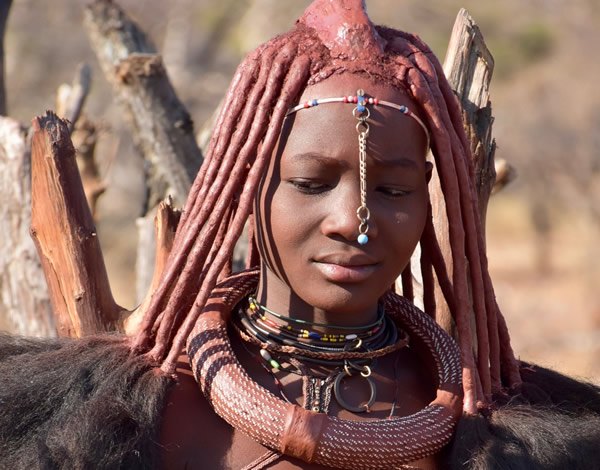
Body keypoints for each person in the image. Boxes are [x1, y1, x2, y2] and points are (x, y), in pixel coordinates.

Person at [1, 0, 599, 469]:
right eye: (312, 183)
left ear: (427, 195)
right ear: (250, 185)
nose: (354, 223)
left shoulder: (526, 430)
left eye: (393, 192)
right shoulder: (121, 413)